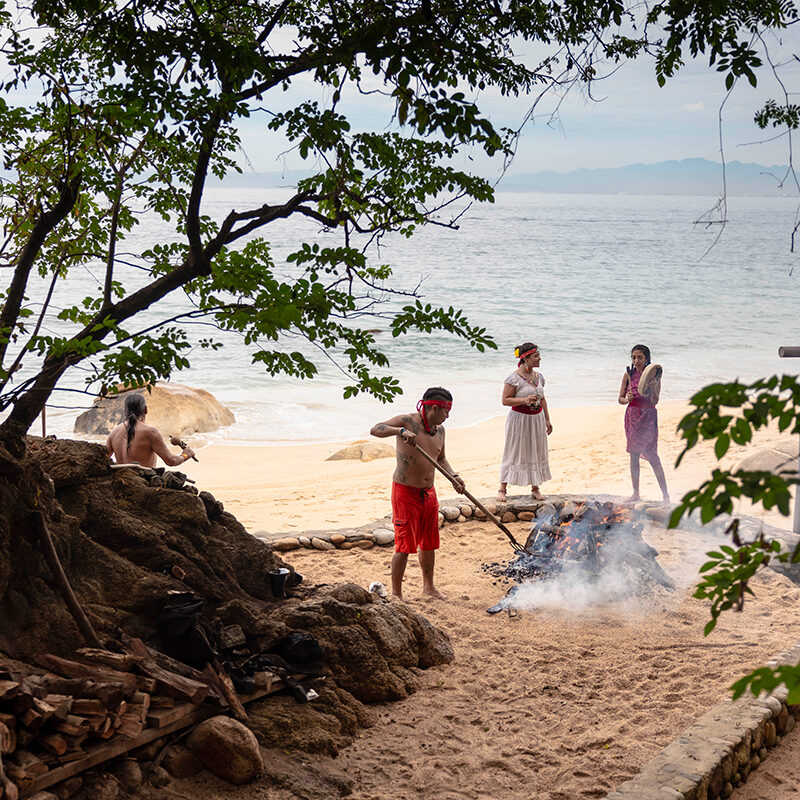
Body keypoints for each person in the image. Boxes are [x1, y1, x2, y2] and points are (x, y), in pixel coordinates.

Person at [370, 387, 465, 601]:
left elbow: (441, 459)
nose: (448, 416)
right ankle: (396, 593)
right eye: (445, 411)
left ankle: (429, 587)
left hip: (428, 493)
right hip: (405, 492)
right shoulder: (407, 421)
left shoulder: (440, 431)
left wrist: (454, 477)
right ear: (433, 408)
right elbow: (375, 429)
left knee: (429, 542)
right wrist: (400, 432)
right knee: (404, 545)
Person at [497, 342, 552, 502]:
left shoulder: (539, 377)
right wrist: (524, 400)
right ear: (525, 359)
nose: (539, 358)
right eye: (536, 356)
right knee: (514, 450)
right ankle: (502, 488)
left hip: (537, 419)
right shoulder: (513, 378)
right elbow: (505, 400)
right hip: (519, 420)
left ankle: (535, 488)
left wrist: (547, 419)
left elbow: (543, 399)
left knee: (536, 450)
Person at [618, 344, 669, 503]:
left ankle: (665, 495)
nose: (636, 360)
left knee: (653, 456)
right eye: (633, 357)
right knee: (633, 455)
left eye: (640, 357)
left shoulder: (654, 376)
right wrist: (628, 399)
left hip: (648, 416)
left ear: (647, 358)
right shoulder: (628, 374)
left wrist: (654, 388)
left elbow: (655, 401)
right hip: (632, 415)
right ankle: (636, 493)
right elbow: (620, 399)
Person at [106, 393, 195, 468]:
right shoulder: (150, 432)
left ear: (125, 411)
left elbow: (102, 459)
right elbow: (170, 460)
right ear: (145, 409)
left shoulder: (114, 432)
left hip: (121, 483)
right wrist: (185, 455)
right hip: (143, 482)